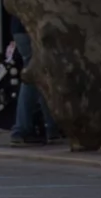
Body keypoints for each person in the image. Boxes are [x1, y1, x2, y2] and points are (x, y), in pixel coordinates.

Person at [8, 12, 61, 147]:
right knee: (34, 76)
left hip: (22, 29)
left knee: (42, 76)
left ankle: (51, 126)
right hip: (31, 29)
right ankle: (21, 129)